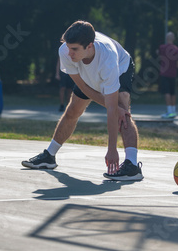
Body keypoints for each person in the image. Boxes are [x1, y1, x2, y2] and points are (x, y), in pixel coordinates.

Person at [22, 21, 143, 181]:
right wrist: (111, 106)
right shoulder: (65, 51)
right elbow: (83, 87)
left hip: (121, 68)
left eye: (74, 49)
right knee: (72, 110)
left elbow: (112, 109)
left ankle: (132, 165)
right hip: (87, 74)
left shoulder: (108, 59)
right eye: (68, 47)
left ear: (89, 46)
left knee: (122, 114)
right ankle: (49, 156)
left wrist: (112, 149)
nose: (69, 53)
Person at [157, 32, 178, 119]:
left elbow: (158, 54)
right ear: (174, 38)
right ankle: (173, 111)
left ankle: (169, 112)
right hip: (173, 74)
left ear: (166, 38)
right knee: (172, 93)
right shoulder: (176, 49)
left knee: (167, 92)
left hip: (164, 73)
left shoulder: (162, 47)